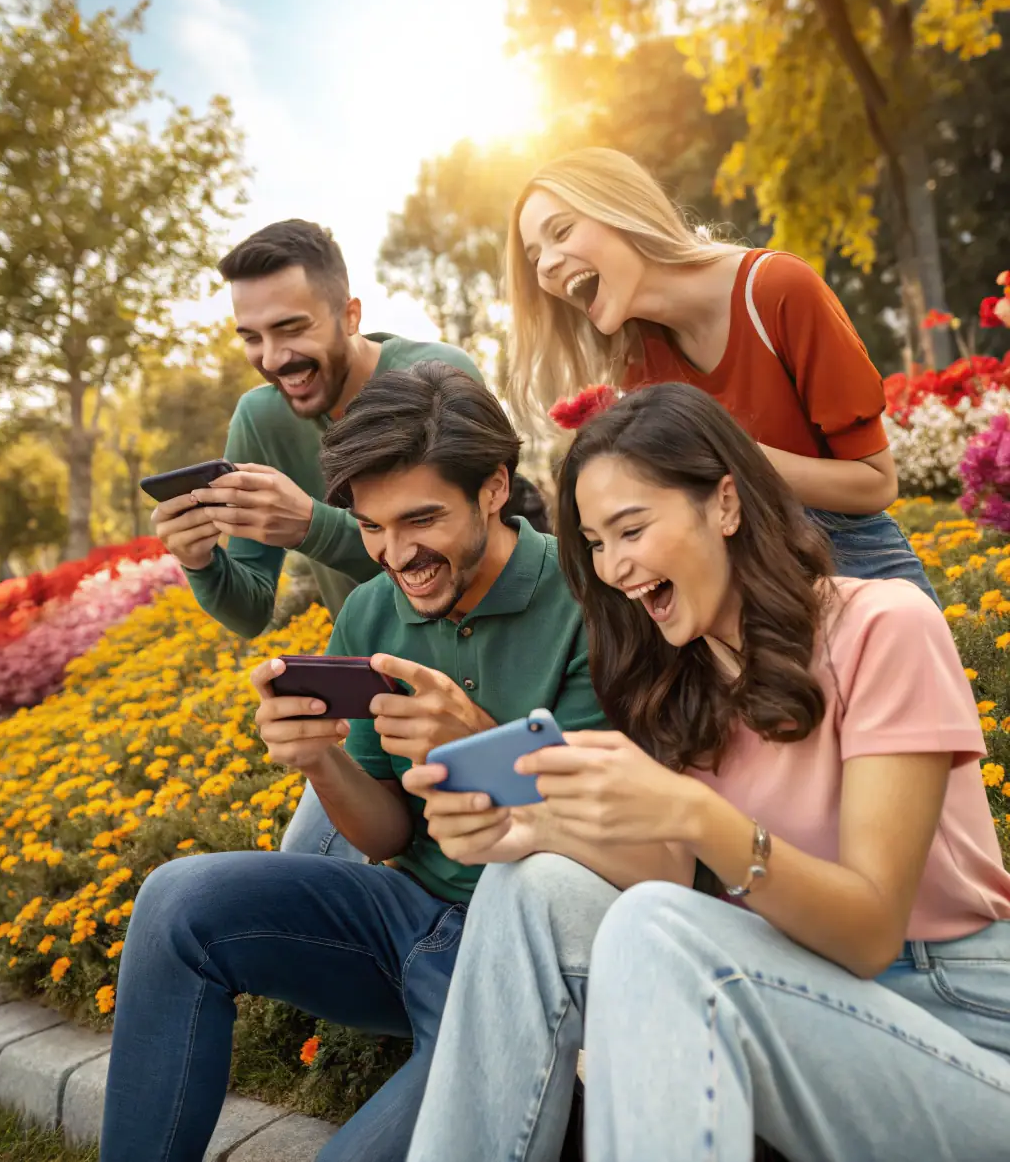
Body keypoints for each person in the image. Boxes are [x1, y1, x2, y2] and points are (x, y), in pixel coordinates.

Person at [404, 383, 1010, 1162]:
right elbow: (663, 871)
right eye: (593, 541)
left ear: (725, 504)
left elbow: (867, 934)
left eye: (631, 528)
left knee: (657, 929)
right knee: (528, 887)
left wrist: (693, 813)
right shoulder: (677, 682)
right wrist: (525, 827)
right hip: (792, 991)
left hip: (960, 1027)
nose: (614, 566)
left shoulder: (884, 625)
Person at [99, 362, 609, 1162]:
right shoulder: (373, 607)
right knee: (176, 900)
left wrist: (472, 741)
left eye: (420, 519)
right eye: (371, 526)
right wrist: (322, 762)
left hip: (517, 956)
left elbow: (602, 830)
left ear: (494, 487)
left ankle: (559, 1105)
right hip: (407, 925)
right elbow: (386, 830)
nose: (396, 554)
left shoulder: (590, 600)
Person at [504, 147, 939, 605]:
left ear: (623, 210)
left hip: (859, 564)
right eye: (535, 256)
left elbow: (877, 484)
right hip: (748, 585)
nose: (547, 266)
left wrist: (732, 453)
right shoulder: (638, 362)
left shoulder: (776, 291)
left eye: (562, 231)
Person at [151, 218, 484, 636]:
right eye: (252, 338)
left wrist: (312, 526)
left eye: (291, 329)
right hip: (377, 669)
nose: (271, 359)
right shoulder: (261, 419)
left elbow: (478, 550)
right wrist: (199, 561)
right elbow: (251, 612)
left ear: (350, 316)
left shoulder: (438, 378)